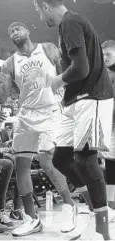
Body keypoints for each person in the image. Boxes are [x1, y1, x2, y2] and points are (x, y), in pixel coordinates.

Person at [0, 21, 82, 237]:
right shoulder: (8, 63)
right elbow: (1, 96)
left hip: (51, 110)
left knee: (46, 160)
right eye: (11, 31)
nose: (14, 32)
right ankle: (32, 219)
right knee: (21, 165)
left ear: (27, 31)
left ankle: (70, 207)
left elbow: (65, 74)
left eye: (17, 28)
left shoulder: (48, 48)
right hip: (26, 114)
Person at [34, 0, 114, 240]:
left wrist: (56, 80)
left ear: (44, 6)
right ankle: (97, 207)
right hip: (74, 101)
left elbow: (80, 69)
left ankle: (104, 231)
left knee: (86, 160)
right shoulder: (66, 27)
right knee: (60, 158)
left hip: (92, 97)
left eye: (37, 11)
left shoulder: (70, 21)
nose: (39, 17)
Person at [101, 40, 115, 210]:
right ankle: (111, 206)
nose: (105, 58)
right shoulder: (103, 74)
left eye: (108, 54)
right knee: (111, 165)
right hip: (109, 125)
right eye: (103, 55)